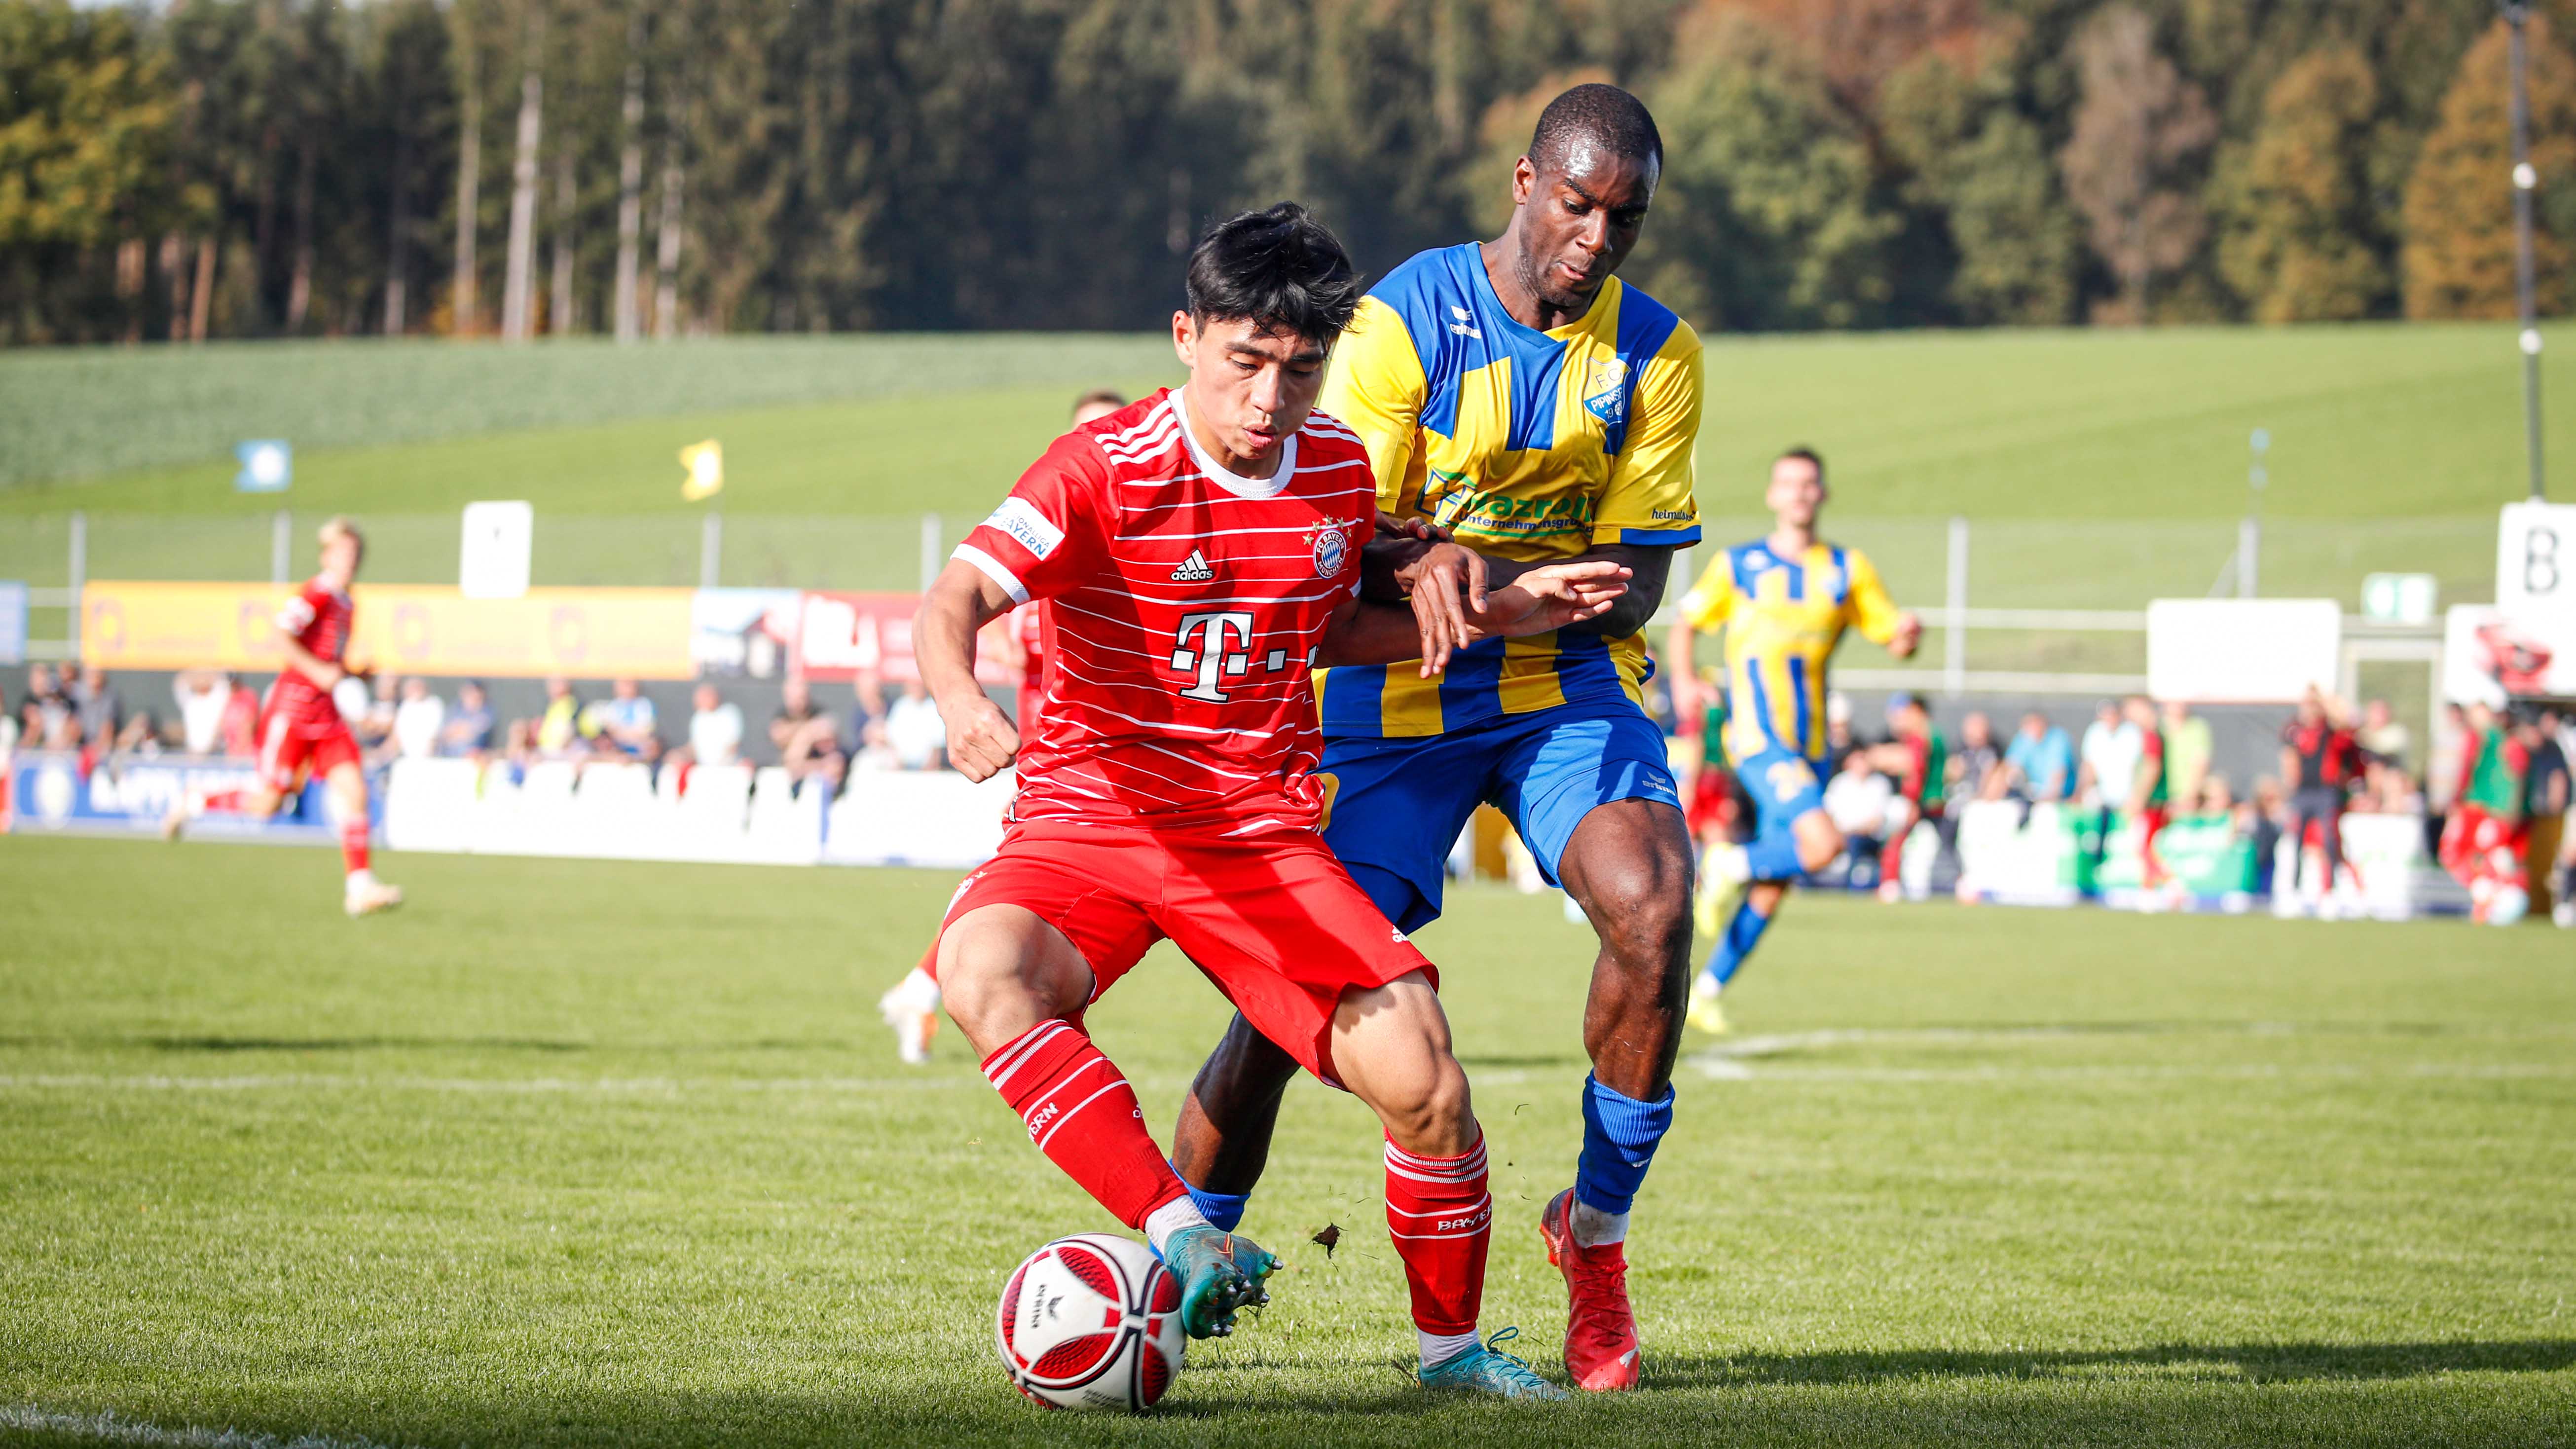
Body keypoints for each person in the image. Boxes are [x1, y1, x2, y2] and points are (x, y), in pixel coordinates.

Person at [914, 204, 1625, 1397]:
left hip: (1255, 832)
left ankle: (1450, 1356)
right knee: (982, 970)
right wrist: (959, 701)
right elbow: (953, 600)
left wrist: (1499, 613)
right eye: (1245, 362)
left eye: (1299, 372)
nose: (1268, 400)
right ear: (1186, 335)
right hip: (1095, 816)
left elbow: (1331, 622)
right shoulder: (1102, 468)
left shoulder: (1341, 468)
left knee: (1426, 1080)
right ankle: (1177, 1224)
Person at [1154, 86, 1706, 1396]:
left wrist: (1480, 566)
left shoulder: (1657, 354)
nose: (1594, 241)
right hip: (1387, 698)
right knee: (1280, 1009)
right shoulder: (1403, 320)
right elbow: (1345, 540)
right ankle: (1176, 1270)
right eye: (1575, 207)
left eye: (1622, 221)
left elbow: (1629, 582)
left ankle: (1596, 1241)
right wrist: (1448, 566)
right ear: (1524, 182)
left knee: (1654, 904)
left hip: (1562, 686)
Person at [1669, 446, 1922, 1031]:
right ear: (1772, 496)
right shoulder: (1738, 566)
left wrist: (1909, 635)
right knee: (1824, 844)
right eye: (1788, 483)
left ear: (1823, 494)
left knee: (1776, 884)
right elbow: (1687, 623)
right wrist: (1683, 679)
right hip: (1758, 736)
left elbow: (1893, 635)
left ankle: (1706, 991)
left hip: (1811, 746)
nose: (1799, 493)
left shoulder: (1845, 569)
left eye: (1809, 484)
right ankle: (1727, 862)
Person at [164, 518, 402, 917]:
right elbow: (279, 637)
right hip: (291, 712)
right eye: (343, 552)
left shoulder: (347, 602)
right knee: (266, 804)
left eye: (356, 553)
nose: (350, 560)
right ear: (327, 556)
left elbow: (327, 658)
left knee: (356, 790)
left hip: (324, 714)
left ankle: (359, 887)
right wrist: (320, 672)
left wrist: (351, 671)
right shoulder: (318, 592)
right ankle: (195, 801)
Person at [2440, 702, 2531, 924]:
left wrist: (2513, 811)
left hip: (2497, 813)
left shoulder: (2508, 744)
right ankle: (2484, 901)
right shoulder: (2482, 740)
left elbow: (2518, 781)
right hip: (2478, 809)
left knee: (2493, 858)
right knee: (2463, 856)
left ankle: (2494, 904)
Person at [2278, 687, 2364, 911]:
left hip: (2326, 792)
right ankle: (2294, 891)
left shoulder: (2331, 731)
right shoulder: (2295, 731)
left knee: (2330, 840)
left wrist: (2324, 699)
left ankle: (2331, 892)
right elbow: (2287, 753)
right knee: (2296, 841)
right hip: (2303, 792)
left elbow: (2350, 722)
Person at [771, 677, 844, 787]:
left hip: (819, 773)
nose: (799, 702)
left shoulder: (819, 712)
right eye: (795, 698)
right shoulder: (781, 716)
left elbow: (829, 733)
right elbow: (779, 735)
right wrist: (808, 732)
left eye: (802, 697)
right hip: (790, 775)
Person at [2000, 709, 2075, 804]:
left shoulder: (2058, 740)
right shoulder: (2024, 739)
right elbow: (2009, 767)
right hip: (2033, 796)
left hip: (2061, 799)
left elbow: (2058, 776)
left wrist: (2045, 801)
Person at [584, 677, 661, 762]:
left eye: (628, 684)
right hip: (617, 747)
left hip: (638, 747)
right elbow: (610, 730)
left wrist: (624, 734)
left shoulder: (644, 705)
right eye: (622, 685)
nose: (626, 688)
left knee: (652, 746)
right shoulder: (612, 706)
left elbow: (645, 732)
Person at [671, 684, 743, 769]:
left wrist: (718, 766)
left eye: (704, 697)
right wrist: (680, 754)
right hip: (704, 770)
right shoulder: (699, 717)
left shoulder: (729, 713)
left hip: (728, 769)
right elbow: (694, 747)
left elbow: (734, 745)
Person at [883, 679, 948, 770]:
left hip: (927, 765)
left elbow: (938, 743)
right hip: (900, 763)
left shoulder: (933, 707)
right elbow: (891, 736)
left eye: (918, 687)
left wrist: (929, 767)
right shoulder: (902, 706)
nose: (916, 690)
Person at [2163, 699, 2212, 811]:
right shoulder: (2160, 727)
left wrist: (2189, 797)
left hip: (2185, 799)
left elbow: (2200, 763)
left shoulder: (2197, 728)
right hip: (2161, 799)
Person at [392, 676, 445, 760]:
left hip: (429, 758)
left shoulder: (434, 704)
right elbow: (396, 738)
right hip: (406, 757)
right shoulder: (406, 705)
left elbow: (434, 737)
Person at [438, 682, 496, 759]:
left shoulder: (488, 712)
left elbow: (473, 734)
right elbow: (445, 734)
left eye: (476, 693)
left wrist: (458, 730)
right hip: (448, 757)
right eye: (469, 693)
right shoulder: (456, 709)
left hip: (474, 759)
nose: (473, 696)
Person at [70, 666, 121, 750]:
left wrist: (96, 749)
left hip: (101, 748)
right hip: (81, 745)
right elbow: (73, 724)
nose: (94, 679)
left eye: (96, 675)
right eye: (90, 675)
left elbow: (107, 728)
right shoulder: (78, 694)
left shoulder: (110, 697)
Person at [533, 676, 584, 758]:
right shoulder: (551, 705)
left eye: (556, 683)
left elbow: (572, 728)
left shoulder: (572, 704)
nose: (551, 688)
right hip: (545, 750)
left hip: (564, 752)